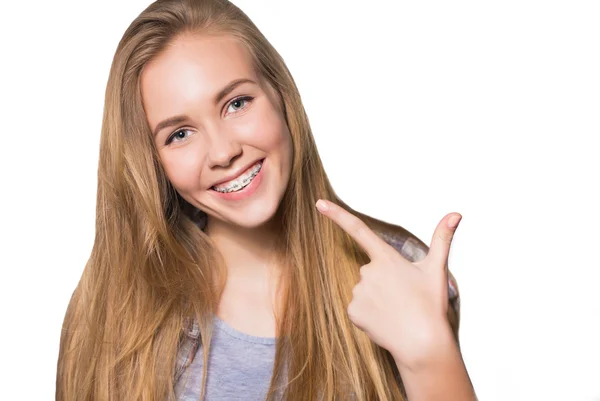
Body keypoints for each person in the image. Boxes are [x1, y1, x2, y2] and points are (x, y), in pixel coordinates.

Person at [55, 0, 476, 400]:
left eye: (236, 103)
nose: (223, 153)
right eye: (179, 134)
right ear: (152, 162)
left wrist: (429, 353)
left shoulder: (400, 275)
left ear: (281, 96)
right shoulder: (113, 307)